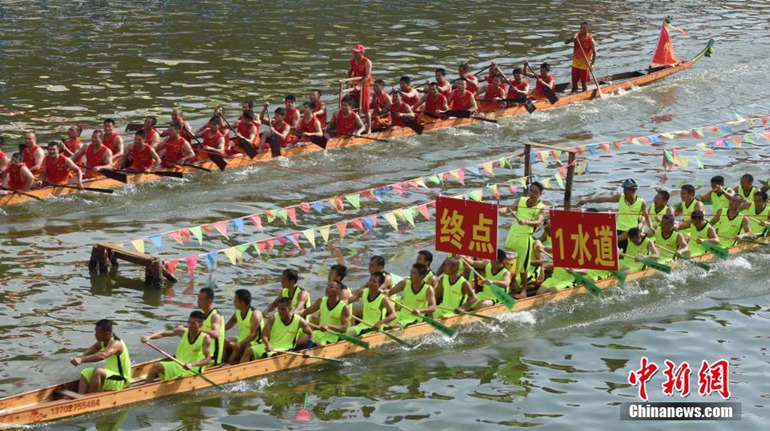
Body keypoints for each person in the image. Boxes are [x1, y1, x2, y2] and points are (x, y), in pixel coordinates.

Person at [577, 178, 651, 251]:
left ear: (634, 190)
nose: (624, 191)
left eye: (627, 189)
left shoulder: (641, 202)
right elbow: (604, 199)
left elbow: (646, 216)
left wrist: (651, 227)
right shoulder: (620, 197)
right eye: (624, 189)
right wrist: (587, 201)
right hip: (618, 229)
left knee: (626, 253)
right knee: (615, 252)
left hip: (631, 233)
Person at [141, 311, 212, 383]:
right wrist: (149, 337)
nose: (189, 325)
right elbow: (162, 334)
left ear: (200, 325)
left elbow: (207, 360)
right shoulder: (182, 331)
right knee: (155, 367)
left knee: (160, 370)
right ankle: (144, 389)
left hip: (192, 369)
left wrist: (192, 364)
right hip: (178, 365)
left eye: (193, 323)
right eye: (188, 322)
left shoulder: (205, 338)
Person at [503, 181, 546, 297]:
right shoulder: (520, 200)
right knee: (509, 262)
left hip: (524, 238)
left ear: (540, 194)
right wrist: (498, 210)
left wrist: (526, 222)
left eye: (536, 192)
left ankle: (524, 290)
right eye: (531, 191)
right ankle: (512, 286)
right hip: (512, 235)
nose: (532, 194)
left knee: (523, 265)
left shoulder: (541, 208)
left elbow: (538, 222)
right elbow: (508, 209)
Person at [241, 297, 314, 361]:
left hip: (285, 348)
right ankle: (241, 372)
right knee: (248, 350)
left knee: (270, 356)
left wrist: (307, 349)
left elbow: (311, 334)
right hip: (271, 345)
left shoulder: (299, 320)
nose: (280, 312)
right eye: (279, 309)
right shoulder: (273, 318)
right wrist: (267, 344)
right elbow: (264, 336)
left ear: (290, 309)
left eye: (283, 309)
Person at [70, 319, 131, 394]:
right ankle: (80, 397)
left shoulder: (116, 343)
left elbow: (103, 355)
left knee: (98, 372)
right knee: (85, 372)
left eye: (98, 333)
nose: (95, 335)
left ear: (107, 333)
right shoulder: (104, 341)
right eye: (95, 332)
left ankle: (90, 398)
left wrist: (81, 360)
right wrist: (82, 355)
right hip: (112, 375)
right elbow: (95, 348)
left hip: (122, 379)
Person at [301, 281, 350, 345]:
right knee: (299, 341)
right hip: (319, 333)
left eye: (331, 287)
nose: (327, 288)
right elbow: (306, 312)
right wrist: (295, 316)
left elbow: (344, 328)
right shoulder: (321, 301)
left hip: (332, 337)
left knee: (316, 345)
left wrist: (329, 326)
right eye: (327, 286)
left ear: (338, 291)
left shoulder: (344, 307)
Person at [224, 289, 263, 365]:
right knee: (224, 342)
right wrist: (221, 331)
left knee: (236, 351)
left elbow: (253, 335)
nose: (233, 302)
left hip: (254, 342)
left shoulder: (255, 314)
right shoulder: (238, 311)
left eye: (235, 300)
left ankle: (229, 364)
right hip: (241, 339)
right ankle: (219, 363)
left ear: (242, 302)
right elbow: (231, 322)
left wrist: (240, 344)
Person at [347, 44, 373, 133]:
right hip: (355, 85)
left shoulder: (367, 61)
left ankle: (369, 128)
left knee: (365, 109)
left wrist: (359, 86)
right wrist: (346, 83)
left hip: (364, 85)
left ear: (362, 52)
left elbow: (367, 76)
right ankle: (356, 126)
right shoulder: (352, 61)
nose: (355, 53)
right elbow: (349, 72)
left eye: (357, 52)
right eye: (354, 52)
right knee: (353, 106)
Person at [564, 21, 596, 93]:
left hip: (584, 65)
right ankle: (573, 94)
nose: (581, 30)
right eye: (581, 28)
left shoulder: (591, 40)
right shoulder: (576, 37)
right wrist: (572, 38)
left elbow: (594, 53)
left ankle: (584, 95)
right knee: (574, 83)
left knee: (584, 84)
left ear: (587, 29)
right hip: (575, 64)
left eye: (583, 28)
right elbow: (565, 42)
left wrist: (592, 64)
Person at [198, 287, 225, 366]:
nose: (198, 301)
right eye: (198, 299)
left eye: (201, 299)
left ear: (209, 301)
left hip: (212, 357)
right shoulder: (201, 315)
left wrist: (198, 330)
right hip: (202, 353)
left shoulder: (215, 316)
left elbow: (215, 334)